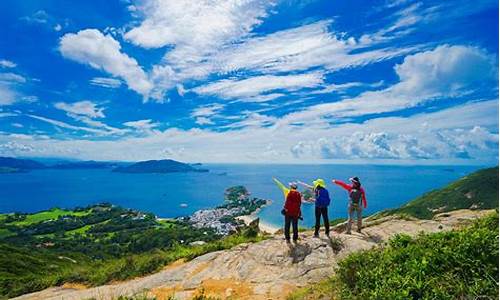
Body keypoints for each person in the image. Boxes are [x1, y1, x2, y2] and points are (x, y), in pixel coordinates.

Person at [273, 178, 302, 243]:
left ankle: (287, 238)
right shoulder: (298, 194)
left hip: (288, 212)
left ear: (291, 187)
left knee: (287, 225)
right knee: (295, 226)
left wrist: (275, 180)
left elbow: (281, 186)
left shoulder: (287, 191)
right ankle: (295, 238)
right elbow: (299, 203)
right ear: (296, 188)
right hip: (295, 212)